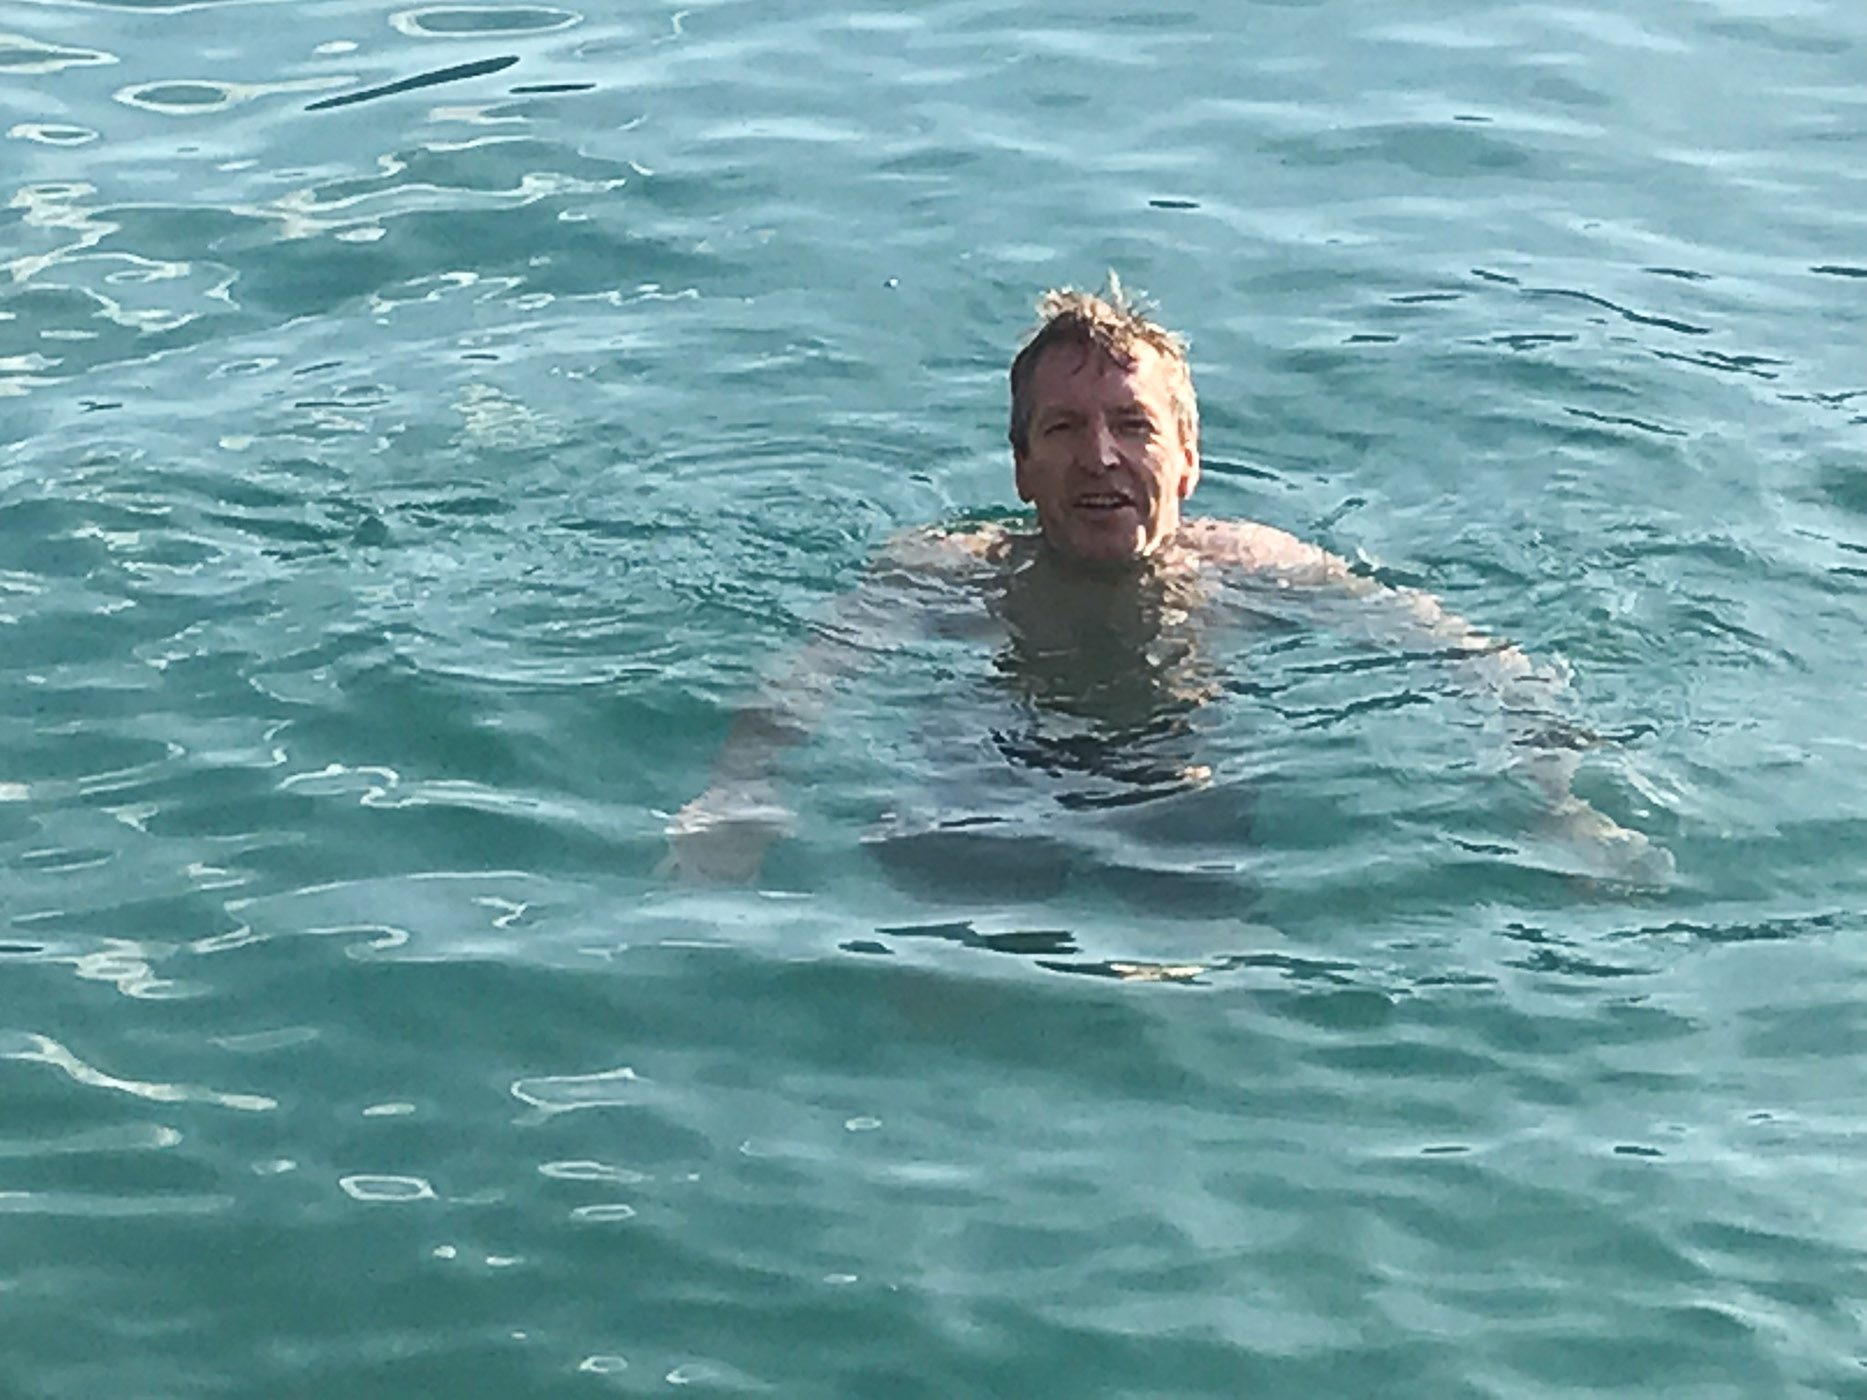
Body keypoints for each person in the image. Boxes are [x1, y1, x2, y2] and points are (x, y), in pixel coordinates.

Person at [665, 279, 1669, 889]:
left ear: (1187, 459)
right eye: (1064, 428)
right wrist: (735, 794)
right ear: (1020, 466)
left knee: (1193, 982)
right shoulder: (951, 571)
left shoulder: (1255, 566)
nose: (1100, 456)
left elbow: (1468, 656)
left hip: (1180, 784)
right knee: (945, 976)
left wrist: (1557, 800)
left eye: (1133, 426)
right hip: (987, 776)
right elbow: (804, 683)